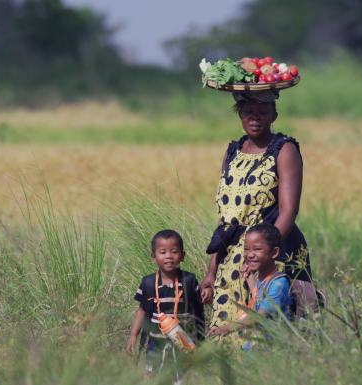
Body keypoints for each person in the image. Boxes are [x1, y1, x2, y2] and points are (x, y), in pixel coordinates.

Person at [200, 90, 317, 343]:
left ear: (274, 114)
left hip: (273, 251)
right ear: (240, 115)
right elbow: (225, 219)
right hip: (231, 255)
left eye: (262, 112)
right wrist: (212, 270)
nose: (255, 118)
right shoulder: (233, 151)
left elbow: (288, 211)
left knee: (268, 328)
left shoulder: (284, 149)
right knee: (227, 328)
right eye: (249, 112)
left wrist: (262, 255)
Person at [127, 229, 205, 382]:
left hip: (183, 340)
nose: (169, 256)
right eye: (163, 252)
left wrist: (201, 339)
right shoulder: (148, 283)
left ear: (182, 256)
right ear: (153, 257)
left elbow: (199, 311)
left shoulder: (189, 281)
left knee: (182, 377)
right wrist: (133, 335)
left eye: (174, 251)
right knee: (153, 376)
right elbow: (142, 310)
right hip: (155, 342)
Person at [208, 223, 292, 345]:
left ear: (274, 253)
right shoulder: (263, 279)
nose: (250, 254)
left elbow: (259, 316)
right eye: (246, 249)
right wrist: (250, 279)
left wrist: (227, 328)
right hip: (257, 350)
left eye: (257, 249)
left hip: (273, 351)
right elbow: (258, 298)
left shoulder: (279, 284)